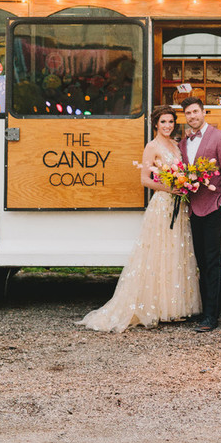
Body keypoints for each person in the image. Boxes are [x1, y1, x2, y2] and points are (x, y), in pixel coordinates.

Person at [76, 105, 201, 332]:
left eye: (171, 122)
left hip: (179, 207)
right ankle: (154, 307)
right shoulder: (151, 147)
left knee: (176, 253)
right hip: (163, 204)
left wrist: (184, 184)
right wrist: (170, 188)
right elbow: (145, 179)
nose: (167, 126)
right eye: (163, 122)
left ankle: (172, 307)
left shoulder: (175, 145)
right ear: (156, 124)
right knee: (158, 253)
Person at [179, 96, 221, 332]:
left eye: (195, 112)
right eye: (188, 114)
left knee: (213, 263)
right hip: (194, 209)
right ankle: (205, 311)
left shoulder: (220, 137)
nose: (192, 116)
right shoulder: (184, 143)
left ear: (204, 112)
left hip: (214, 208)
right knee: (201, 262)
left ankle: (212, 317)